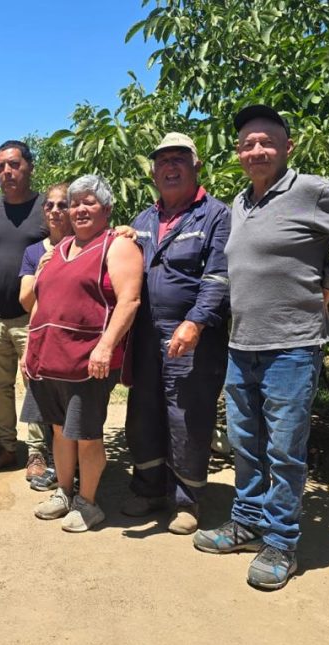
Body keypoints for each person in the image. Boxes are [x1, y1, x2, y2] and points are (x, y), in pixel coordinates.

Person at [193, 105, 329, 590]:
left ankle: (281, 542)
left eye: (266, 141)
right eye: (247, 143)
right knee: (247, 443)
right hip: (242, 344)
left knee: (284, 450)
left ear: (288, 147)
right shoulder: (241, 203)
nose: (256, 150)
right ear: (238, 153)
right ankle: (246, 522)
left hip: (293, 345)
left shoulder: (310, 191)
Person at [120, 132, 230, 535]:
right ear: (153, 172)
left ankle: (188, 500)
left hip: (191, 338)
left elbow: (219, 276)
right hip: (145, 336)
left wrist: (196, 321)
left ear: (196, 166)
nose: (170, 167)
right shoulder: (143, 220)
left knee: (186, 417)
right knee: (143, 413)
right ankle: (149, 489)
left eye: (178, 159)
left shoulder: (216, 215)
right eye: (162, 161)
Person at [26, 175, 144, 532]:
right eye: (75, 202)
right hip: (50, 358)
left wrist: (106, 346)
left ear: (106, 209)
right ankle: (64, 491)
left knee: (87, 434)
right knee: (60, 430)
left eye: (88, 202)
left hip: (87, 360)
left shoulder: (117, 245)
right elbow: (41, 302)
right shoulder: (56, 251)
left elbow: (130, 300)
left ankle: (88, 503)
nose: (78, 209)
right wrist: (31, 347)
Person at [0, 140, 49, 474]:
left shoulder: (48, 207)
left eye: (14, 164)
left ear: (29, 166)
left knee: (37, 384)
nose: (7, 172)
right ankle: (6, 447)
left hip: (34, 317)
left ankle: (38, 452)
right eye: (1, 166)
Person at [18, 182, 70, 491]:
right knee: (38, 396)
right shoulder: (34, 251)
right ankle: (38, 455)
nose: (55, 211)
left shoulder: (86, 243)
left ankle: (68, 464)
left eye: (62, 205)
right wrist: (40, 270)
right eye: (49, 205)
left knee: (70, 402)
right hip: (41, 333)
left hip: (73, 338)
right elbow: (26, 300)